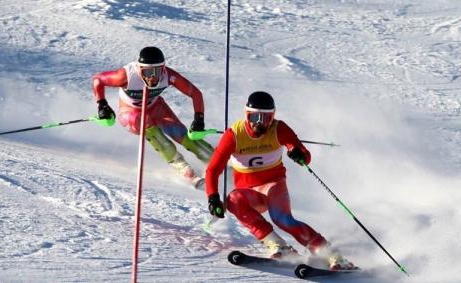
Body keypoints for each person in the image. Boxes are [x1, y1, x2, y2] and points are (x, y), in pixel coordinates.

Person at [205, 91, 356, 270]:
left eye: (266, 118)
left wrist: (299, 154)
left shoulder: (279, 129)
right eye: (254, 117)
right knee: (233, 201)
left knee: (282, 219)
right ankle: (278, 245)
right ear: (246, 115)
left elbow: (303, 153)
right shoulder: (234, 135)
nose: (259, 123)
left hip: (273, 184)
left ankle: (330, 254)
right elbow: (213, 170)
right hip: (250, 192)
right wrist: (213, 197)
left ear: (273, 116)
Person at [93, 46, 213, 188]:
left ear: (163, 68)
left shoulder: (167, 75)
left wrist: (199, 119)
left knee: (181, 133)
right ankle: (182, 168)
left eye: (157, 71)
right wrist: (102, 105)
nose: (152, 76)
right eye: (147, 71)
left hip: (155, 107)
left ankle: (215, 160)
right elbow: (98, 79)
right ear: (139, 69)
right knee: (148, 125)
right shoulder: (126, 76)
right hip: (130, 114)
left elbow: (195, 93)